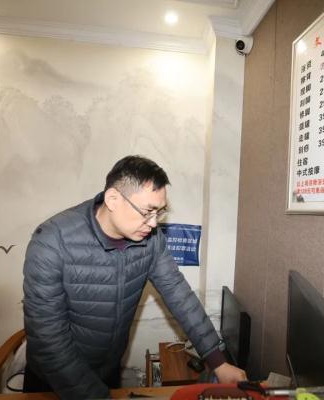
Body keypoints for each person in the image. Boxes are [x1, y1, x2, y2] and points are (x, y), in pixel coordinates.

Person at [23, 155, 246, 399]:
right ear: (113, 199)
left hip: (107, 371)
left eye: (159, 212)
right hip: (54, 381)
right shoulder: (51, 242)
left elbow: (179, 295)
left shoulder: (150, 240)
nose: (153, 224)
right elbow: (49, 341)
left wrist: (218, 362)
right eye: (147, 212)